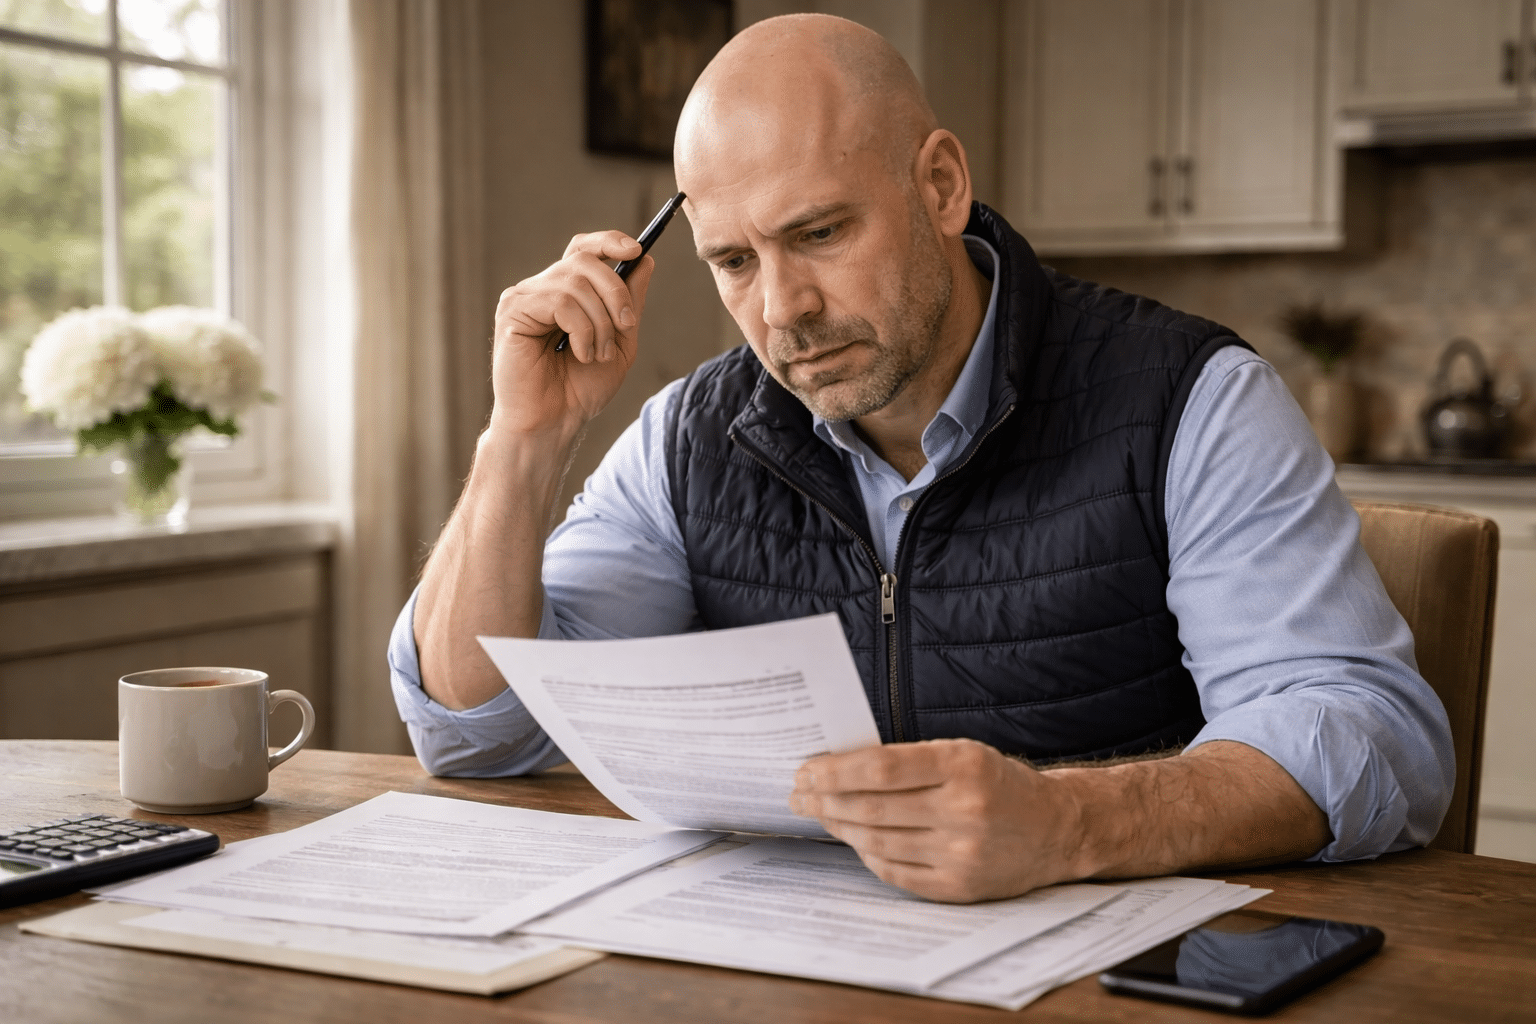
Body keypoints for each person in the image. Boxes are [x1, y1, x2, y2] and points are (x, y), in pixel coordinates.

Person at [391, 14, 1452, 903]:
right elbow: (477, 728)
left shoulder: (1189, 400)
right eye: (733, 261)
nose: (783, 310)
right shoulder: (686, 437)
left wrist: (1072, 821)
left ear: (940, 185)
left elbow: (1374, 740)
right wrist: (521, 439)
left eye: (818, 233)